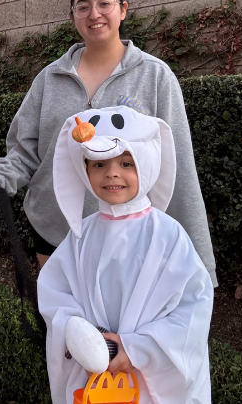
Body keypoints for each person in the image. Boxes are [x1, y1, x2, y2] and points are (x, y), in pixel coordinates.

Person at [0, 0, 217, 286]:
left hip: (129, 235)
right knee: (64, 328)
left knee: (116, 333)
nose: (94, 14)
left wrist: (199, 263)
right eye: (82, 6)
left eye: (104, 3)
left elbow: (179, 167)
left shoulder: (155, 76)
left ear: (123, 10)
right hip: (55, 231)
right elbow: (25, 153)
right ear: (73, 17)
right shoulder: (49, 79)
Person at [38, 106, 214, 404]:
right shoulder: (82, 236)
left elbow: (192, 310)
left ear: (146, 163)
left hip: (148, 380)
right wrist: (83, 337)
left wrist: (135, 349)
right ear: (85, 170)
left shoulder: (168, 236)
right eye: (98, 164)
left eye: (126, 163)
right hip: (94, 379)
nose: (112, 174)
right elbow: (55, 293)